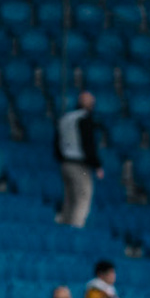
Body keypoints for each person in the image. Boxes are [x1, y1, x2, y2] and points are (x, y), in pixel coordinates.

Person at [54, 91, 102, 228]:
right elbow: (88, 144)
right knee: (82, 197)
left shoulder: (66, 118)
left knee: (69, 199)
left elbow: (57, 143)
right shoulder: (85, 119)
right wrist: (97, 165)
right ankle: (75, 230)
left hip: (65, 163)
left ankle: (64, 228)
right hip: (80, 165)